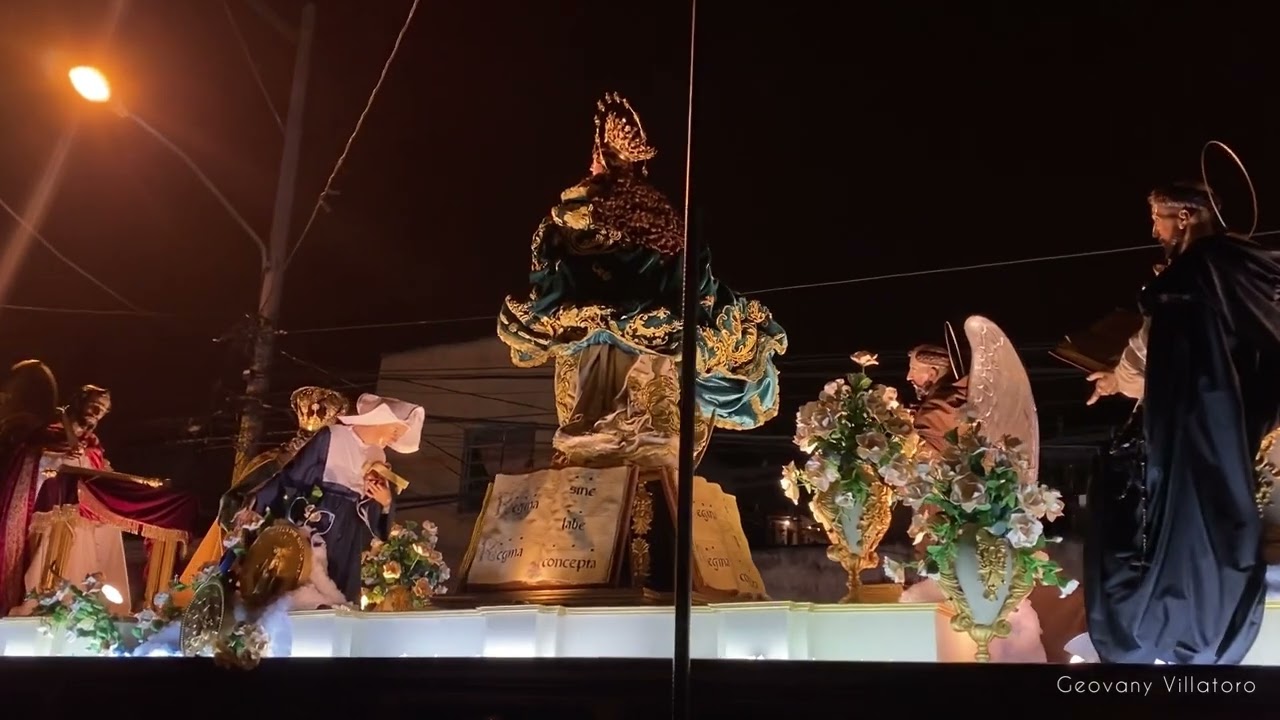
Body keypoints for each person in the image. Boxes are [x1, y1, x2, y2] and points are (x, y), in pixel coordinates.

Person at [498, 92, 788, 468]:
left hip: (609, 339)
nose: (591, 163)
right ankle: (628, 427)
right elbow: (689, 276)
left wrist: (565, 312)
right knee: (634, 365)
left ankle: (619, 427)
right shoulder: (658, 220)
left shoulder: (575, 223)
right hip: (641, 336)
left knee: (614, 368)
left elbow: (553, 278)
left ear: (602, 157)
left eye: (595, 155)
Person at [1085, 181, 1280, 664]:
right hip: (1223, 421)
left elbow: (1155, 350)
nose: (1155, 230)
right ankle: (1195, 626)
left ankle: (1170, 624)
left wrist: (1117, 379)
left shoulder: (1194, 271)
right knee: (1211, 516)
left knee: (1169, 516)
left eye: (1158, 218)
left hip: (1190, 422)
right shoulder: (1234, 265)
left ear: (1185, 216)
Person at [227, 393, 424, 604]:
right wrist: (258, 503)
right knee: (311, 581)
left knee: (343, 591)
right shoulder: (332, 436)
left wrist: (384, 502)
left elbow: (373, 510)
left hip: (350, 530)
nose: (395, 439)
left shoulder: (378, 456)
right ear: (381, 419)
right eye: (395, 431)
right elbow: (293, 476)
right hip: (321, 520)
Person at [173, 386, 349, 606]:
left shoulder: (333, 474)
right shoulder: (271, 462)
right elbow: (234, 500)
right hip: (264, 552)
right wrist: (248, 514)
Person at [0, 385, 130, 615]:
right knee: (47, 557)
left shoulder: (92, 444)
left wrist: (87, 460)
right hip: (49, 513)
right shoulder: (48, 434)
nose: (97, 413)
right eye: (94, 406)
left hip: (82, 514)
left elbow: (95, 470)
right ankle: (42, 601)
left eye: (102, 411)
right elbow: (36, 467)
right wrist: (61, 456)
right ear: (80, 402)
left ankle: (80, 604)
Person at [905, 345, 969, 454]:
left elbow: (924, 457)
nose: (908, 377)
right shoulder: (963, 392)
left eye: (913, 369)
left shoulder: (934, 412)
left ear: (931, 374)